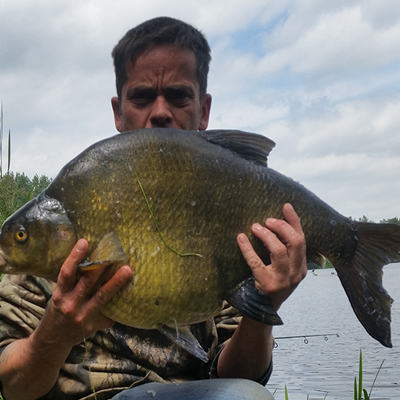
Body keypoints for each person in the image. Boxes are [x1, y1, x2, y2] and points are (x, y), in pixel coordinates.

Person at [0, 17, 307, 400]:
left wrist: (265, 307)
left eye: (178, 96)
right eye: (142, 97)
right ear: (118, 110)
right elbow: (13, 386)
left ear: (204, 109)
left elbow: (241, 376)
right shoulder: (67, 214)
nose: (160, 112)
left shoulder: (229, 211)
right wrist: (56, 332)